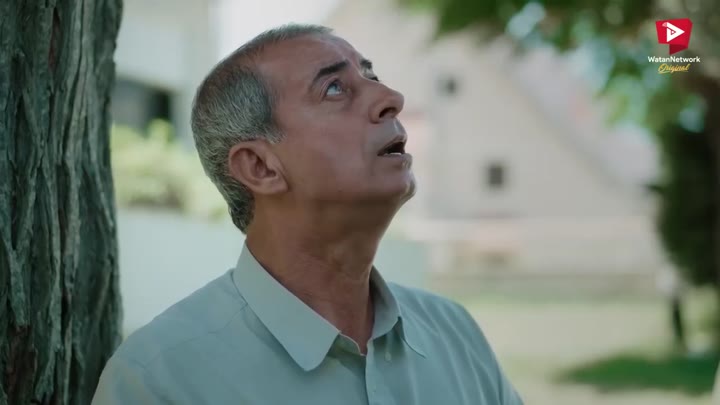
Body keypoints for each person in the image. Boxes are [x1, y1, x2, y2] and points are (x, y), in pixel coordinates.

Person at [92, 23, 523, 405]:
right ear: (260, 167)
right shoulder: (160, 382)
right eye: (334, 89)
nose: (390, 98)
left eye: (372, 77)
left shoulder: (455, 333)